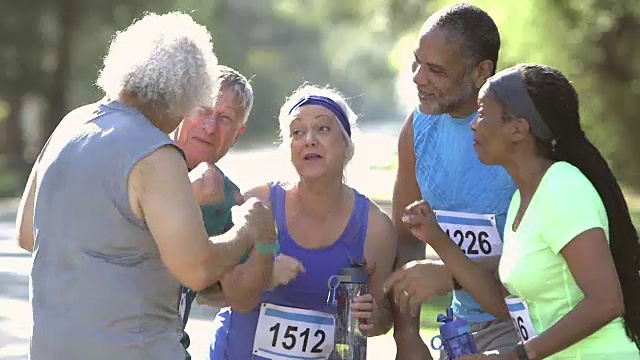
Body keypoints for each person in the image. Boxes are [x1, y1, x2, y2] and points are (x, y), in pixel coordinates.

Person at [15, 13, 276, 360]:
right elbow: (197, 268)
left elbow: (27, 234)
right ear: (186, 90)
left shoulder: (71, 124)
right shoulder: (155, 152)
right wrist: (249, 228)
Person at [401, 64, 640, 359]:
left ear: (518, 129)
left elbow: (606, 301)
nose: (474, 124)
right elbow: (502, 304)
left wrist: (516, 356)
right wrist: (438, 240)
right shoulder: (522, 199)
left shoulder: (563, 188)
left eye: (483, 113)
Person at [199, 84, 398, 360]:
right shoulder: (257, 205)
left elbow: (385, 317)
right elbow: (208, 292)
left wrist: (374, 318)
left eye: (323, 129)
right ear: (289, 148)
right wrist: (263, 274)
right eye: (297, 132)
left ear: (347, 144)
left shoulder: (376, 229)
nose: (309, 140)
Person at [387, 4, 519, 359]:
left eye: (435, 70)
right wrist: (407, 336)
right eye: (417, 63)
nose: (417, 78)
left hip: (528, 323)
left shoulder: (520, 132)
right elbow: (406, 241)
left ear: (481, 72)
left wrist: (452, 275)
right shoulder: (417, 128)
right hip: (460, 330)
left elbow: (545, 255)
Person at [171, 65, 255, 359]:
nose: (209, 127)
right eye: (203, 110)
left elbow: (236, 291)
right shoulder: (143, 160)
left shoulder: (229, 200)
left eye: (225, 119)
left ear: (238, 133)